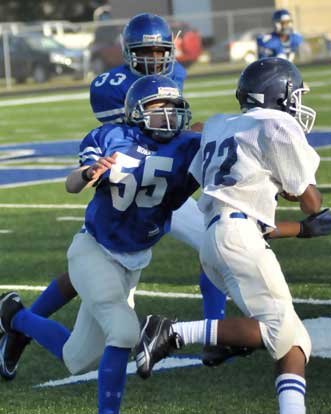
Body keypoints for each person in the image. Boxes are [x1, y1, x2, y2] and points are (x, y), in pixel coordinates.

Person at [0, 12, 227, 381]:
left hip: (163, 179)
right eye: (146, 51)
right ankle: (23, 323)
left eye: (161, 50)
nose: (155, 59)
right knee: (97, 260)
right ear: (128, 52)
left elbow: (173, 130)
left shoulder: (177, 76)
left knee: (215, 241)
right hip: (128, 181)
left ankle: (214, 333)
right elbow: (126, 137)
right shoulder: (108, 86)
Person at [134, 58, 327, 414]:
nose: (297, 104)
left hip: (219, 237)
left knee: (293, 340)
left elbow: (235, 191)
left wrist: (298, 227)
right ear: (277, 95)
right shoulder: (277, 123)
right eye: (293, 95)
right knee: (278, 332)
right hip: (237, 238)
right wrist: (309, 207)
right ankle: (174, 332)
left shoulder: (222, 124)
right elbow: (310, 200)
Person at [0, 75, 201, 414]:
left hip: (133, 261)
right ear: (136, 112)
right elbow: (72, 183)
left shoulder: (188, 145)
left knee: (76, 359)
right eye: (158, 107)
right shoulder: (113, 137)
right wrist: (88, 172)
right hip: (94, 251)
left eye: (172, 107)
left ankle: (14, 316)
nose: (168, 114)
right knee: (123, 330)